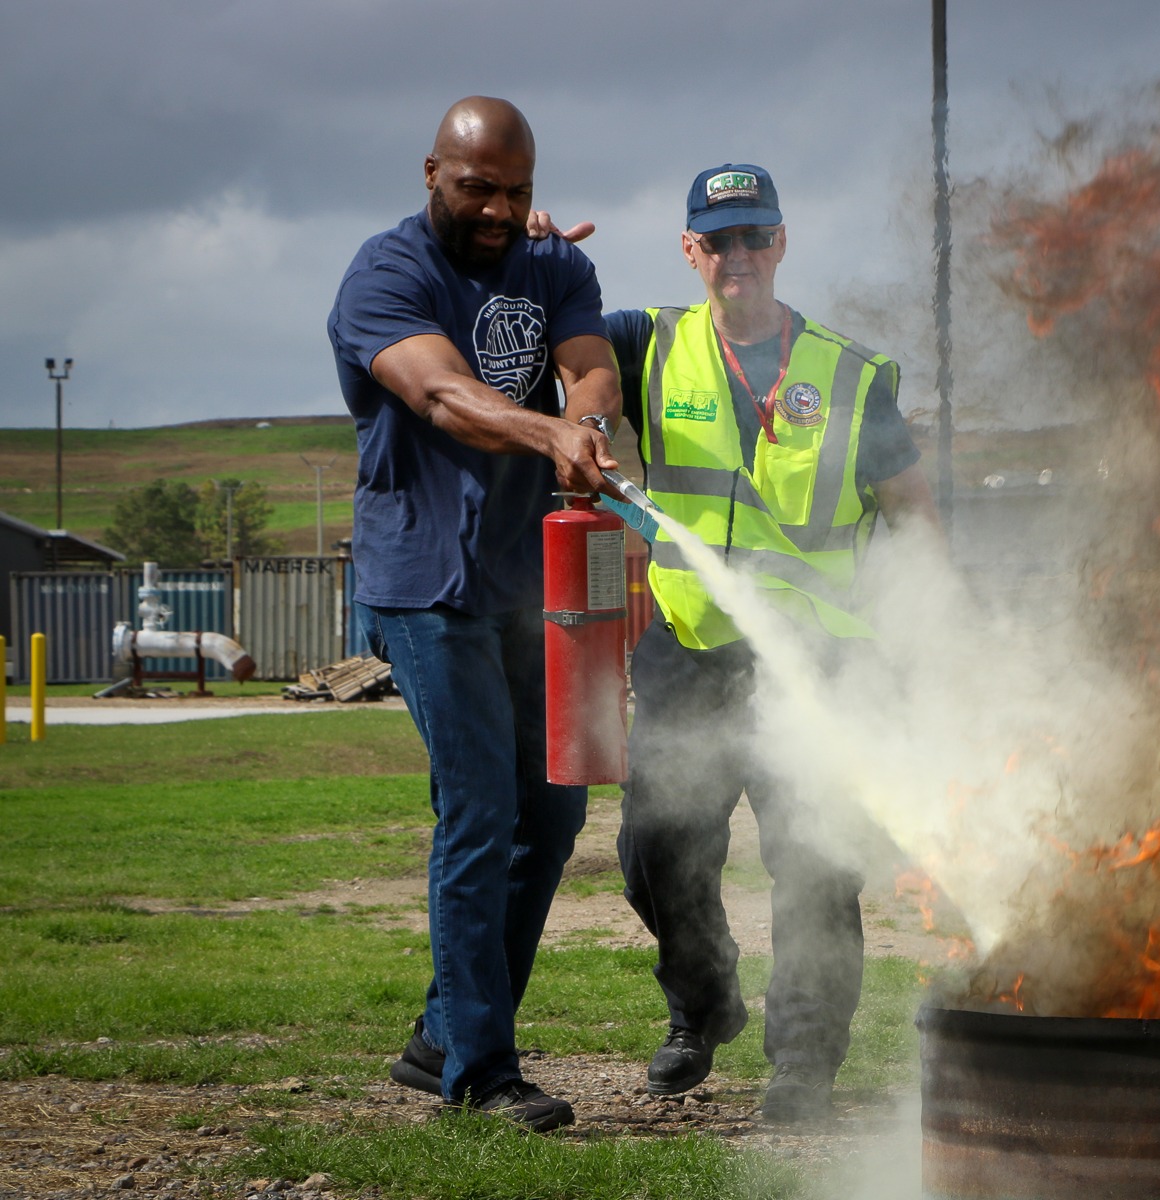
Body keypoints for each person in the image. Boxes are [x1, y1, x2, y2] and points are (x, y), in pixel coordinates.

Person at [566, 163, 941, 1123]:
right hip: (691, 650)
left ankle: (804, 1061)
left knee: (815, 862)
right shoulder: (644, 346)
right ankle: (704, 1004)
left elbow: (917, 521)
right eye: (717, 239)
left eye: (754, 236)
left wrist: (937, 647)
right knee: (655, 850)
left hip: (816, 659)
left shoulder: (851, 376)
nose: (737, 256)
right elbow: (551, 349)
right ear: (690, 250)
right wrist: (533, 253)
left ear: (781, 243)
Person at [326, 96, 624, 1133]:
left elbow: (591, 365)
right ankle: (482, 1075)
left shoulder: (553, 265)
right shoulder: (385, 275)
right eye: (478, 189)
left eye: (518, 192)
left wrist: (585, 422)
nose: (499, 210)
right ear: (430, 175)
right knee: (482, 806)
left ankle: (438, 1036)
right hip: (420, 585)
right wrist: (550, 436)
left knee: (555, 811)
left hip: (521, 583)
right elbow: (446, 396)